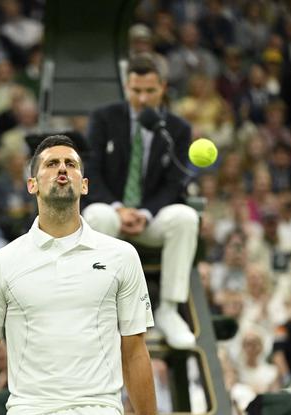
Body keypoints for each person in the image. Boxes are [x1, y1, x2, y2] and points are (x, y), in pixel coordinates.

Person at [0, 135, 162, 415]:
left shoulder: (122, 257)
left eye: (71, 164)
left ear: (85, 185)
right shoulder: (0, 264)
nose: (62, 169)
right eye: (51, 164)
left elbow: (135, 352)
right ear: (32, 185)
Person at [83, 53, 199, 349]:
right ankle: (102, 310)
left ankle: (169, 310)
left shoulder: (178, 129)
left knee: (186, 218)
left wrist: (145, 213)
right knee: (96, 215)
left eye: (150, 91)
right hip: (112, 213)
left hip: (150, 217)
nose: (142, 98)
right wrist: (119, 208)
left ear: (162, 88)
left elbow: (176, 183)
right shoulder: (104, 118)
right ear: (127, 87)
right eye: (136, 91)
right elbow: (90, 170)